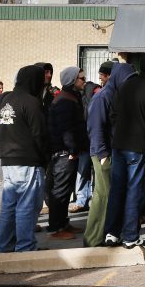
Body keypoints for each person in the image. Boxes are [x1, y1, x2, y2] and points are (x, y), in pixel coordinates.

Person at [104, 53, 145, 249]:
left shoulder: (125, 86)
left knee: (117, 188)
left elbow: (112, 114)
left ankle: (111, 233)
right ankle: (130, 235)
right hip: (138, 146)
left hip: (119, 143)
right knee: (134, 190)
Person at [0, 65, 49, 253]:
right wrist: (45, 159)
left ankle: (4, 245)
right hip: (27, 160)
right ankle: (25, 247)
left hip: (8, 159)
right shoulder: (31, 102)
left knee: (9, 207)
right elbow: (40, 134)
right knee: (27, 206)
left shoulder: (6, 99)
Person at [84, 62, 135, 247]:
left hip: (112, 151)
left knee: (110, 195)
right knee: (103, 195)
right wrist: (103, 154)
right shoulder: (103, 97)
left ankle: (105, 234)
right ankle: (93, 239)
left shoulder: (115, 95)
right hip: (103, 153)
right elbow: (95, 126)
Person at [44, 67, 87, 240]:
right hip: (63, 153)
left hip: (67, 152)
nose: (84, 80)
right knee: (60, 191)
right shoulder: (65, 100)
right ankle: (56, 228)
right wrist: (72, 150)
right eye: (81, 78)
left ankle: (63, 222)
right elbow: (66, 129)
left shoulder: (70, 97)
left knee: (66, 189)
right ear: (72, 80)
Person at [71, 62, 112, 214]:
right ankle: (86, 199)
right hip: (90, 138)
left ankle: (83, 199)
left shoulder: (93, 91)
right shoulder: (91, 92)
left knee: (85, 170)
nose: (84, 79)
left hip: (88, 138)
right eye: (81, 77)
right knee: (89, 170)